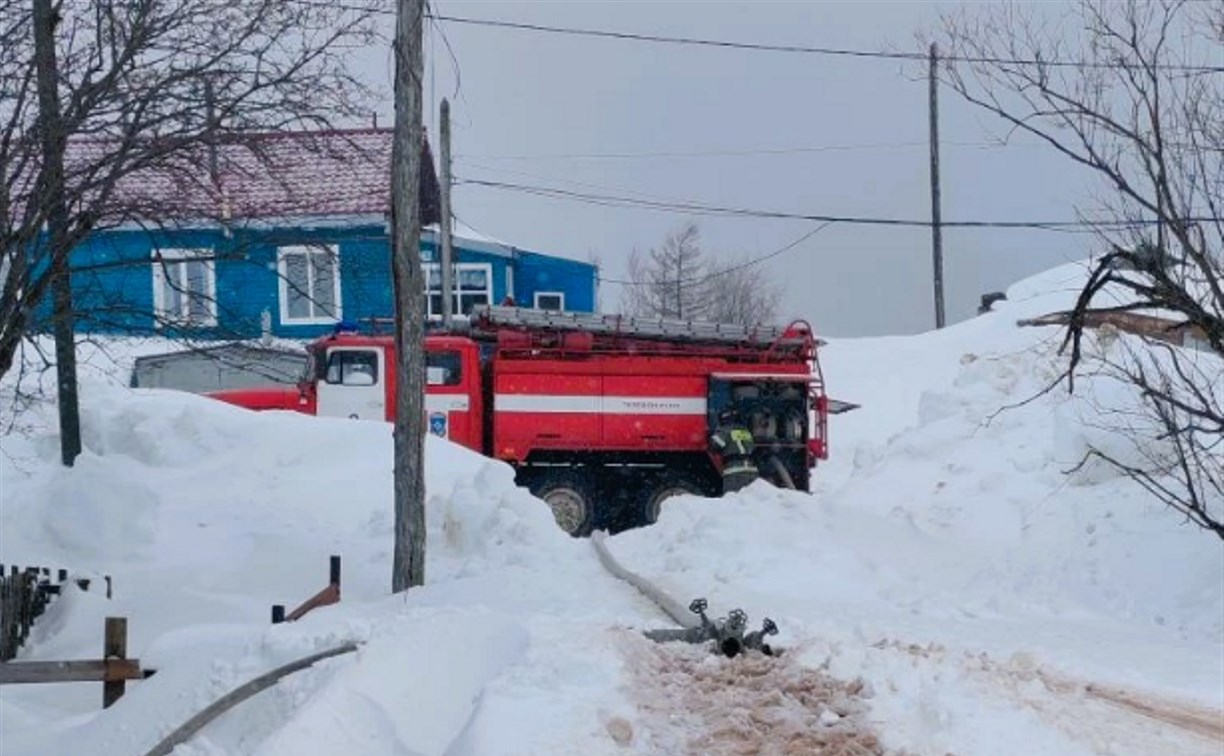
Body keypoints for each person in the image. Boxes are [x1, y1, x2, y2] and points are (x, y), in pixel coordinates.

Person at [710, 409, 759, 493]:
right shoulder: (746, 431)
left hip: (734, 472)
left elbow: (715, 445)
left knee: (733, 500)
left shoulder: (725, 430)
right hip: (752, 471)